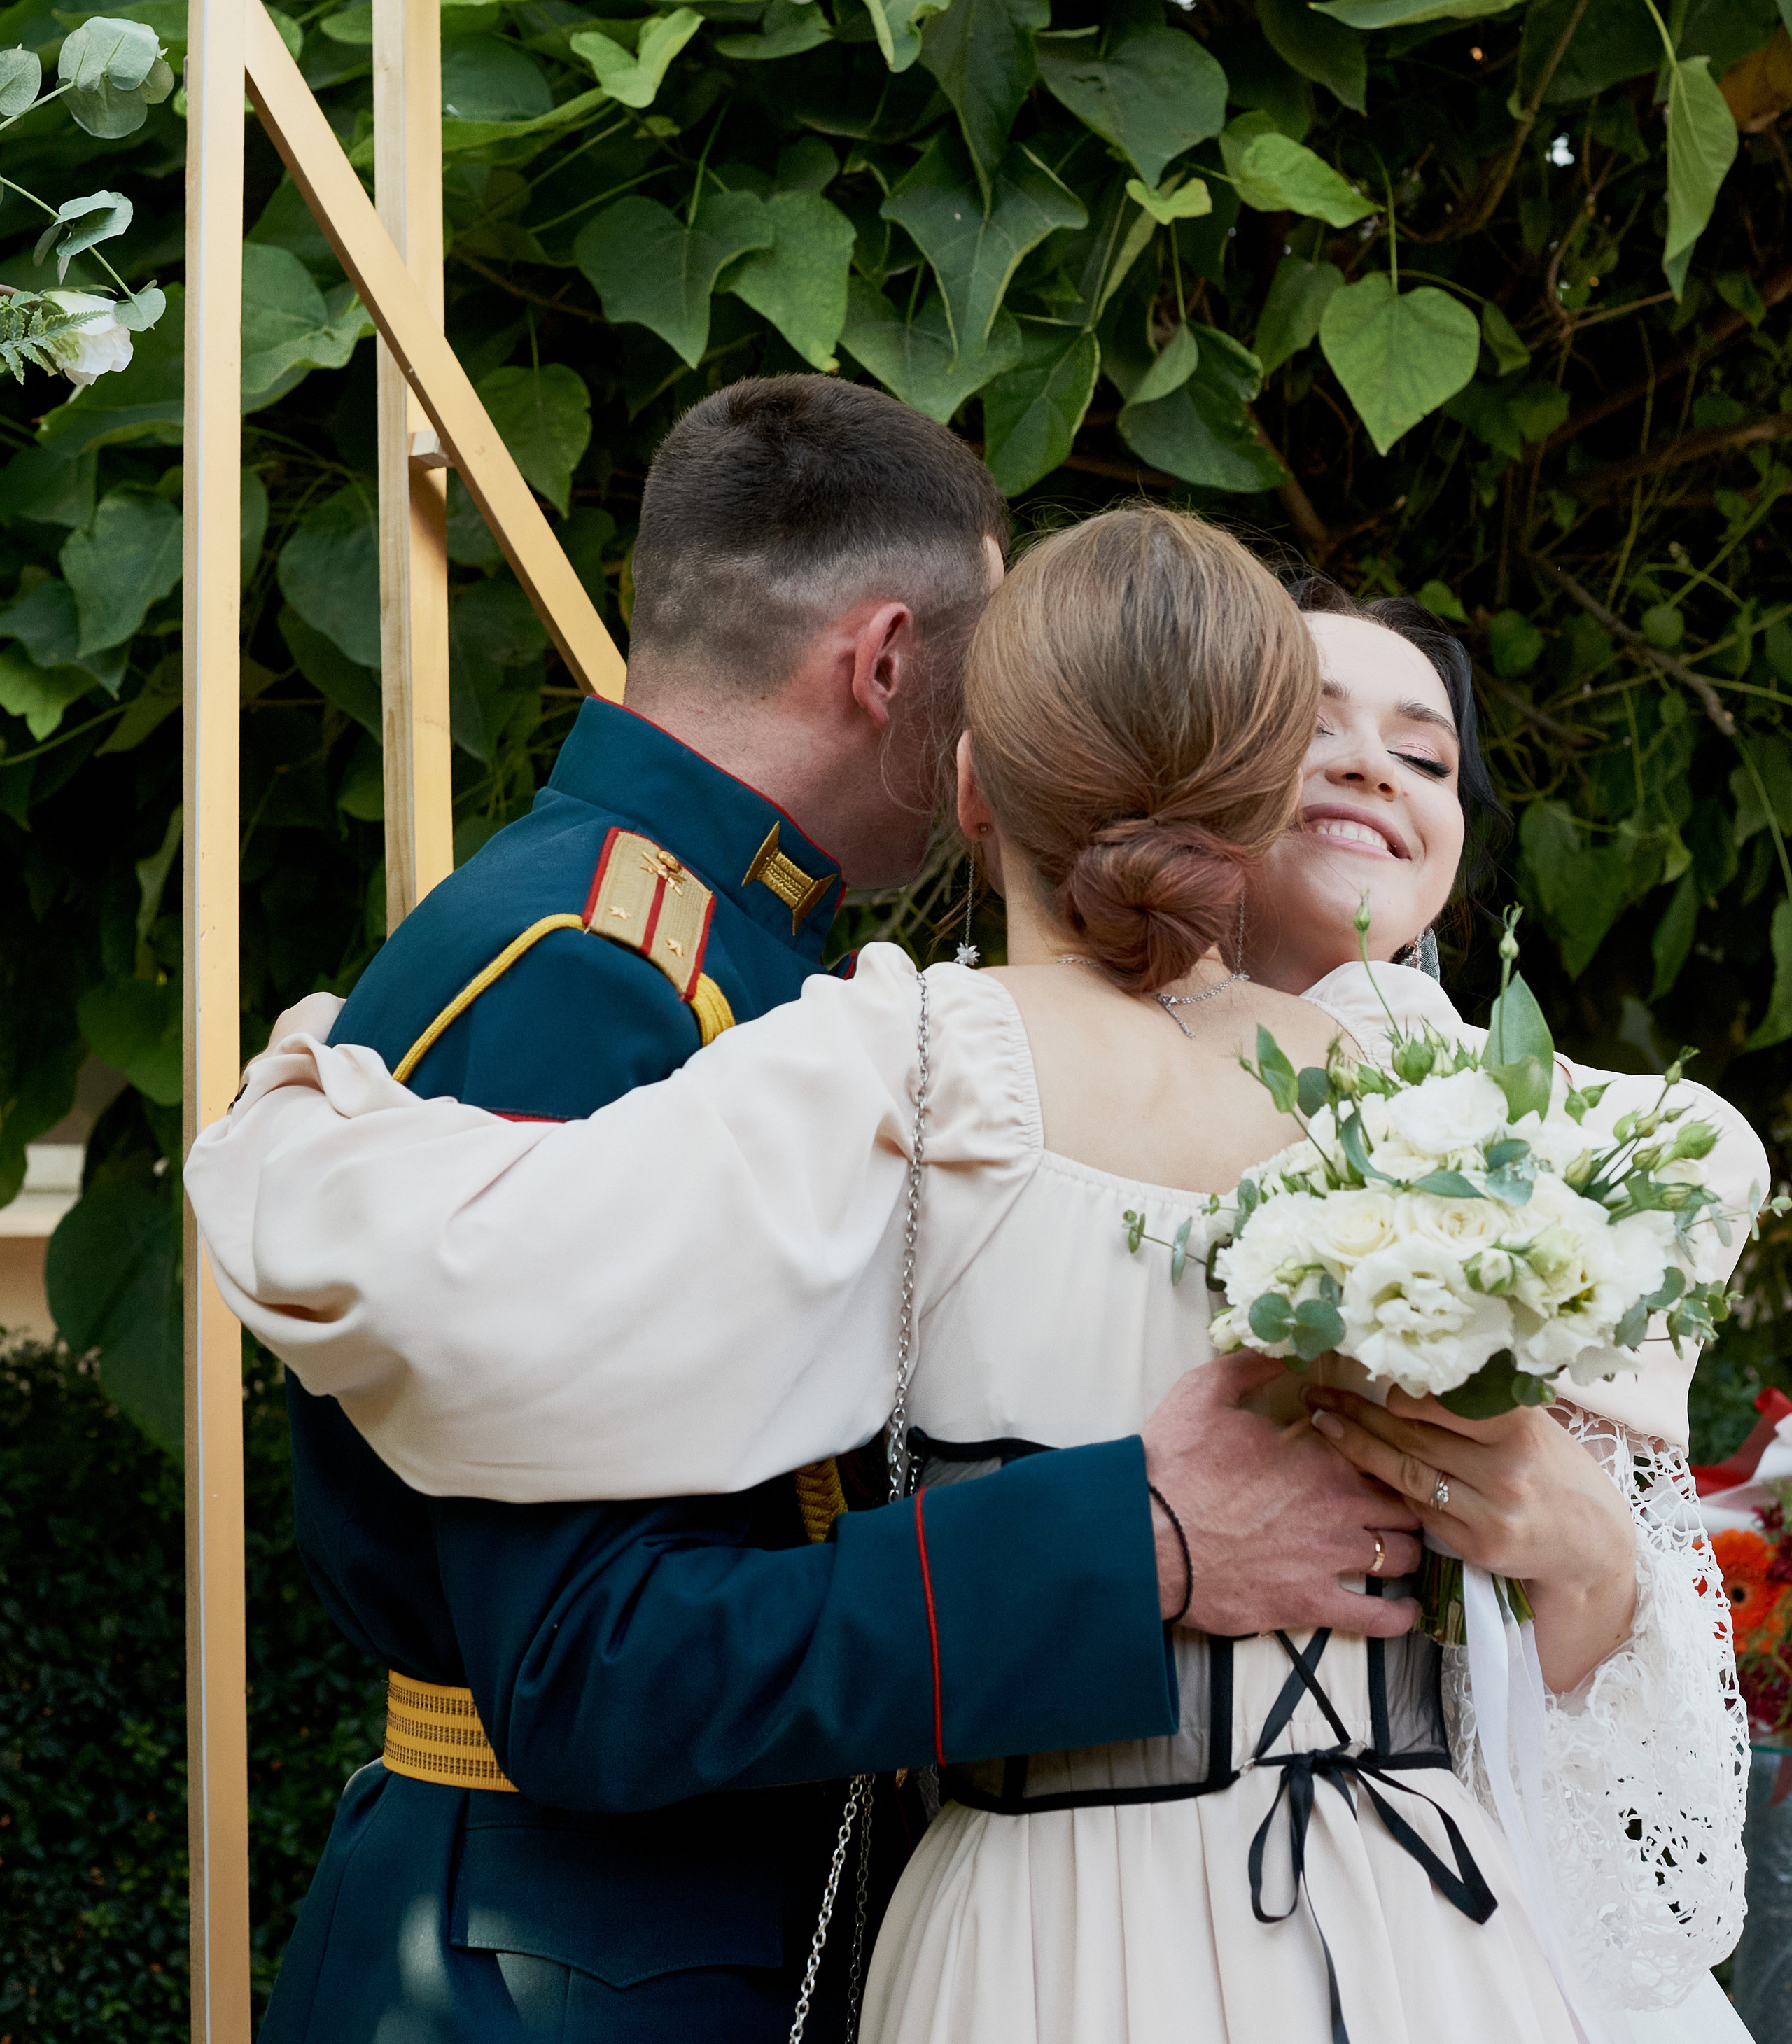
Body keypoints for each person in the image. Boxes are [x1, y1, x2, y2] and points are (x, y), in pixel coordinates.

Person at [192, 510, 1762, 2042]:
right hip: (1425, 1923)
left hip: (1052, 1922)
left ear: (968, 783)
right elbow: (1709, 1172)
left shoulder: (907, 1059)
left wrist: (298, 1122)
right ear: (1261, 800)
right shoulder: (1452, 1100)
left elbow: (469, 1271)